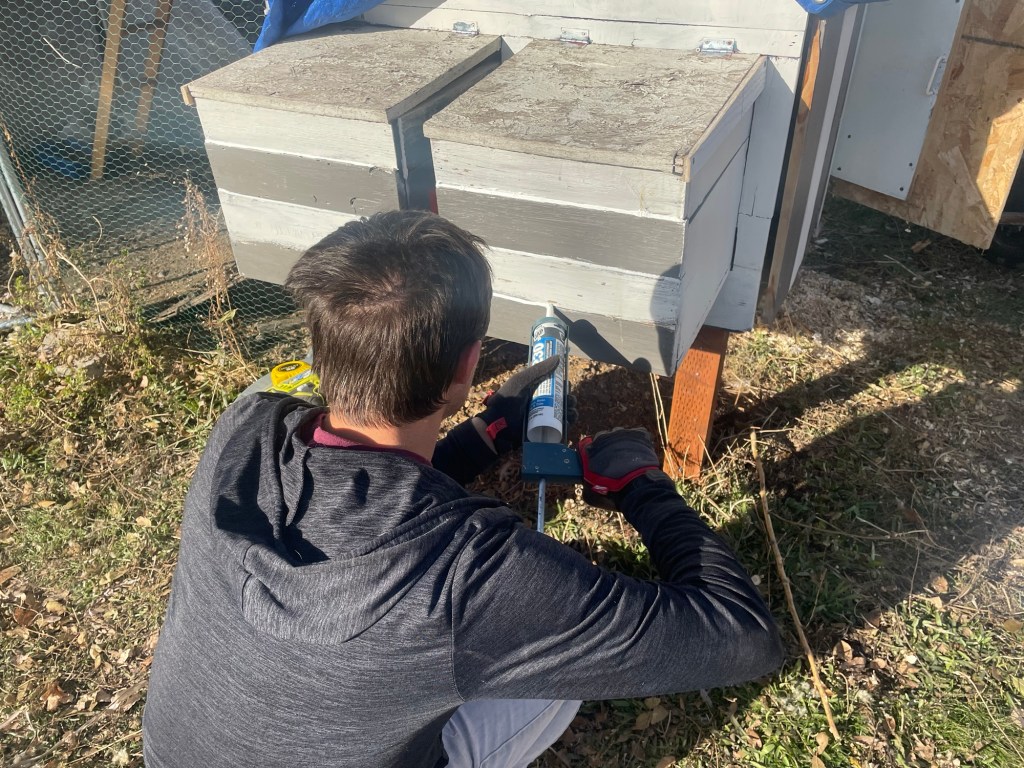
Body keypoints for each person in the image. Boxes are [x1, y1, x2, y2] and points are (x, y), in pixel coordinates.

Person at [142, 211, 784, 768]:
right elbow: (740, 633)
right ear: (469, 364)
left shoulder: (245, 429)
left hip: (176, 755)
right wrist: (642, 485)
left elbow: (361, 496)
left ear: (323, 345)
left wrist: (486, 434)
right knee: (556, 679)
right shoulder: (471, 573)